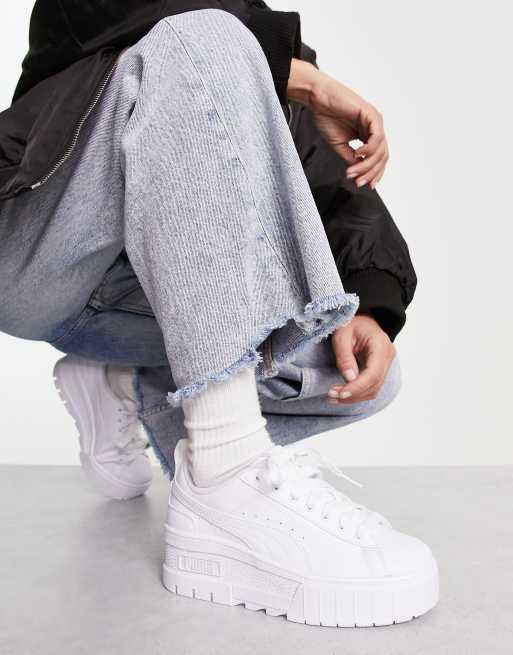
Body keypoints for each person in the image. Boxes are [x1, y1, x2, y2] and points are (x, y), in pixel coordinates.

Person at [0, 1, 437, 627]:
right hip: (33, 253)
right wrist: (295, 71)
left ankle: (122, 380)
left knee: (360, 372)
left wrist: (371, 299)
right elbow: (98, 14)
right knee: (203, 38)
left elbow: (321, 176)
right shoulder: (220, 41)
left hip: (128, 306)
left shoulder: (246, 39)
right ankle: (226, 474)